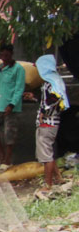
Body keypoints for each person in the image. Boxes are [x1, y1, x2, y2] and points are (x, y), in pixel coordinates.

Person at [33, 54, 68, 187]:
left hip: (47, 123)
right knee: (49, 152)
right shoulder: (55, 80)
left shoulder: (50, 83)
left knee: (46, 156)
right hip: (53, 122)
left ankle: (48, 185)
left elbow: (54, 98)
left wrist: (43, 111)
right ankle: (58, 178)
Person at [0, 45, 25, 166]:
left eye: (7, 55)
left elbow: (19, 88)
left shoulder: (18, 69)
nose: (4, 58)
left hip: (11, 107)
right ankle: (0, 156)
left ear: (11, 54)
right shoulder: (0, 67)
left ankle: (7, 160)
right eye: (2, 55)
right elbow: (0, 87)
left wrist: (11, 104)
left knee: (9, 135)